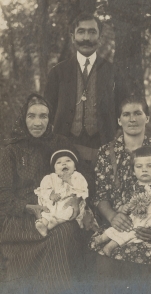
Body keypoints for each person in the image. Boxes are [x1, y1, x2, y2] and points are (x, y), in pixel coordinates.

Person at [88, 95, 151, 293]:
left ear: (147, 118)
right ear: (119, 120)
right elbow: (100, 195)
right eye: (126, 114)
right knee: (106, 263)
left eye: (138, 113)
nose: (132, 119)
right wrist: (112, 216)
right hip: (117, 224)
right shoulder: (106, 152)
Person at [0, 93, 86, 294]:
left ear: (50, 119)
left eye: (44, 116)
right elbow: (2, 195)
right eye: (32, 116)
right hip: (20, 217)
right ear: (23, 118)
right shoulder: (10, 151)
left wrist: (75, 197)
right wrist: (27, 208)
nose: (38, 122)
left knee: (64, 234)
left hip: (55, 213)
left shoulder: (60, 143)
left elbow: (79, 175)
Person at [43, 12, 127, 162]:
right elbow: (47, 112)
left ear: (100, 38)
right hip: (65, 148)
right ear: (73, 37)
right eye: (81, 32)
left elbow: (123, 110)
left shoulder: (114, 72)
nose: (86, 38)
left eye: (92, 32)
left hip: (103, 148)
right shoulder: (58, 72)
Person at [34, 149, 88, 237]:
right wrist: (51, 194)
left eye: (68, 161)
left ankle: (54, 223)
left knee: (68, 211)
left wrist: (69, 181)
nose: (64, 164)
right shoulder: (50, 178)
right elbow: (44, 188)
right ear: (54, 169)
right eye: (59, 162)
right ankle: (42, 224)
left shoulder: (77, 177)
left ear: (74, 167)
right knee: (47, 211)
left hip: (69, 202)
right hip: (54, 202)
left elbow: (82, 190)